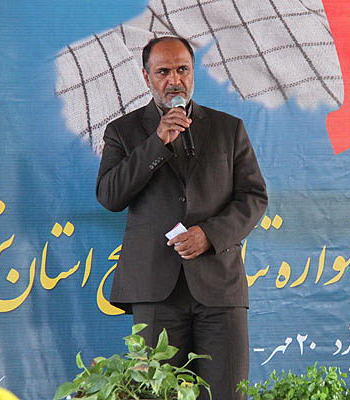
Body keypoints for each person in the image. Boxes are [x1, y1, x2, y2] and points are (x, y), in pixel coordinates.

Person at [96, 36, 268, 399]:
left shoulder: (228, 128)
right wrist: (157, 142)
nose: (174, 80)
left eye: (182, 70)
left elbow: (253, 197)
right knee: (155, 393)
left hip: (219, 287)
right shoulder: (123, 131)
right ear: (146, 77)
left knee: (227, 393)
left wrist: (209, 234)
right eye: (163, 72)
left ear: (193, 73)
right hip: (155, 290)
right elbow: (110, 196)